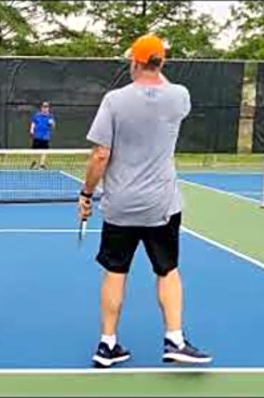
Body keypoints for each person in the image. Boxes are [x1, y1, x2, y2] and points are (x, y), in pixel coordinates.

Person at [78, 34, 212, 368]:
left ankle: (107, 345)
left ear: (133, 62)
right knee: (168, 271)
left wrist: (86, 194)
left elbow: (99, 155)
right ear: (161, 63)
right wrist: (156, 63)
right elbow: (161, 83)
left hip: (120, 205)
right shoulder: (179, 96)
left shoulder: (114, 100)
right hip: (162, 206)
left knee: (115, 271)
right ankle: (175, 340)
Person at [29, 101, 55, 169]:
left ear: (48, 108)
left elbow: (53, 126)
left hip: (45, 137)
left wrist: (52, 124)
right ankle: (34, 162)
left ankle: (42, 164)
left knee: (44, 151)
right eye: (44, 107)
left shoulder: (50, 116)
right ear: (41, 108)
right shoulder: (37, 115)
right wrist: (31, 129)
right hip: (37, 136)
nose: (45, 108)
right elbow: (33, 123)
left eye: (46, 107)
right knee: (35, 151)